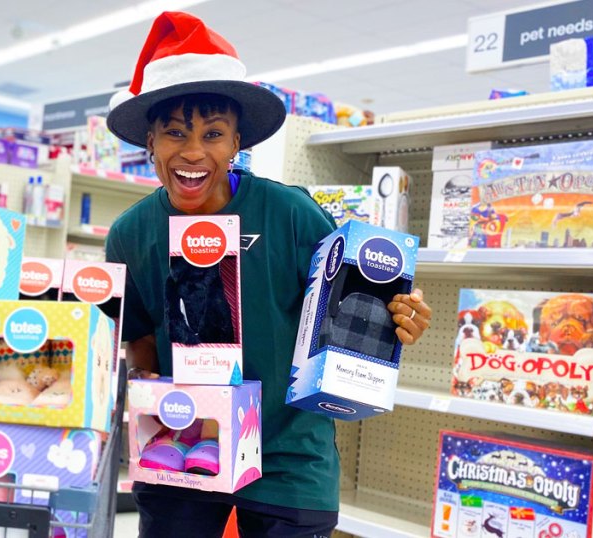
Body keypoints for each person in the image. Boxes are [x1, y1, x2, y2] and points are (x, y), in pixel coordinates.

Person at [104, 12, 432, 538]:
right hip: (182, 450)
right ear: (150, 142)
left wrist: (396, 321)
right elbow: (138, 336)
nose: (192, 152)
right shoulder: (132, 232)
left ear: (237, 144)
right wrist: (147, 405)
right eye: (174, 133)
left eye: (212, 134)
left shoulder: (290, 214)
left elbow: (350, 310)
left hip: (288, 461)